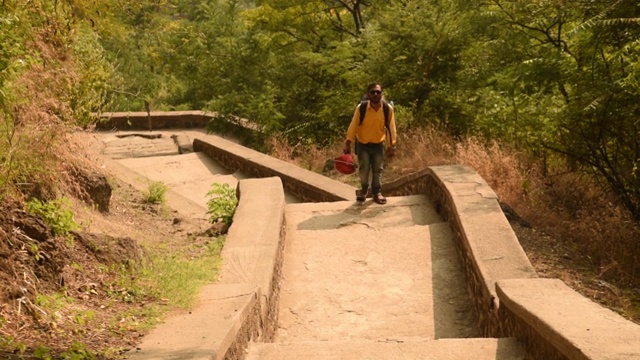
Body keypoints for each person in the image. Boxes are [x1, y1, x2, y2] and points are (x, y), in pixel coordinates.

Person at [343, 82, 397, 204]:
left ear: (382, 94)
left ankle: (377, 192)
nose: (375, 94)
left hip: (378, 145)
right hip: (363, 145)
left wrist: (391, 145)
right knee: (364, 169)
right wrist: (348, 142)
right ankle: (363, 190)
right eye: (372, 92)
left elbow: (391, 128)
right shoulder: (361, 108)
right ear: (368, 94)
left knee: (378, 169)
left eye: (378, 92)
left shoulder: (387, 109)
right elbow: (353, 125)